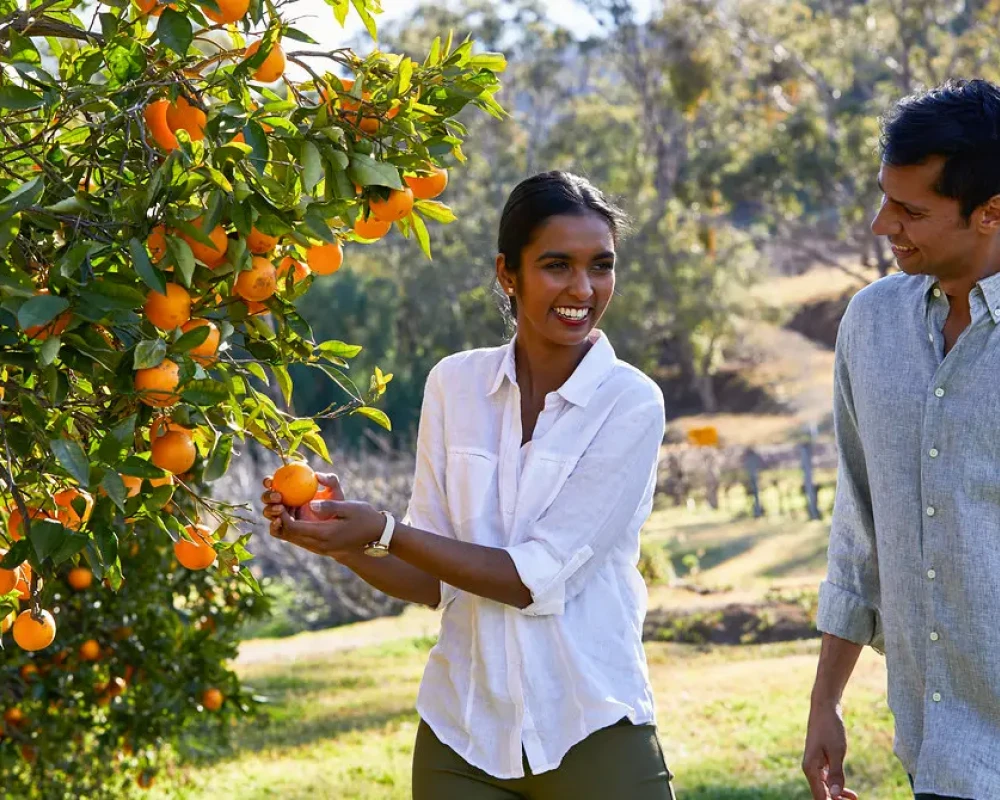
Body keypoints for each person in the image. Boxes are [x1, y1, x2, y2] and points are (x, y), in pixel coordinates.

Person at [261, 171, 675, 799]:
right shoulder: (454, 385)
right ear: (508, 273)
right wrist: (340, 537)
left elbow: (533, 578)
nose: (582, 288)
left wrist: (383, 530)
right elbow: (431, 578)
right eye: (556, 265)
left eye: (601, 266)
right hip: (462, 736)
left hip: (590, 724)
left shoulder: (630, 403)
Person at [802, 79, 1000, 800]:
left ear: (991, 212)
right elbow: (860, 525)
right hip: (933, 747)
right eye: (886, 198)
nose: (885, 224)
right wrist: (826, 700)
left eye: (912, 210)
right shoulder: (871, 324)